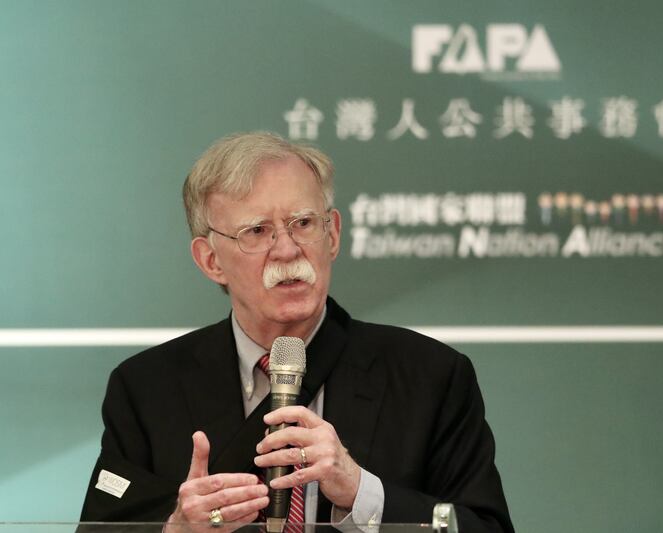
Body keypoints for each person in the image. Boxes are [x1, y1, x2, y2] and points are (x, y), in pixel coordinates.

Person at [80, 132, 514, 532]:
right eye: (257, 231)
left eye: (304, 223)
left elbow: (485, 528)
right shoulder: (146, 387)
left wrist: (361, 491)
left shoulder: (430, 376)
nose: (287, 250)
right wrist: (176, 528)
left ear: (334, 234)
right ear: (210, 260)